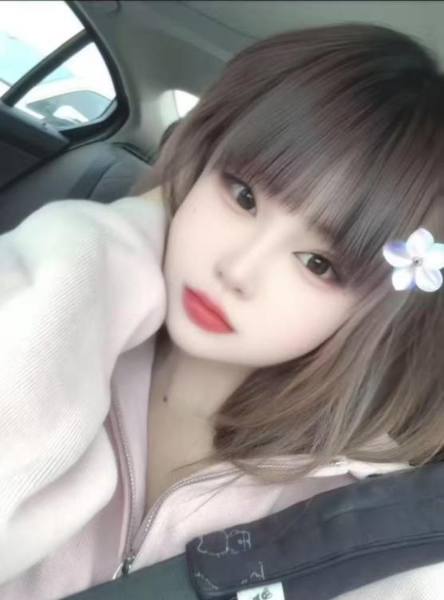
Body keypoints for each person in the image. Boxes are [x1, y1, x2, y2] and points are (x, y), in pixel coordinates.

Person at [1, 22, 444, 600]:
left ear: (379, 313)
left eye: (317, 264)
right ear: (199, 163)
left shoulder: (362, 533)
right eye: (242, 195)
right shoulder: (50, 314)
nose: (237, 269)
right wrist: (95, 251)